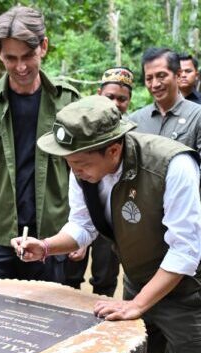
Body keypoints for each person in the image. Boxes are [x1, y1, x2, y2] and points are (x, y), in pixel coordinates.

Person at [13, 95, 201, 353]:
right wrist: (46, 246)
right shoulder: (83, 168)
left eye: (81, 164)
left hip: (192, 288)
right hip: (141, 278)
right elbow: (82, 226)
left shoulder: (172, 165)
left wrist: (136, 305)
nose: (75, 171)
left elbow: (186, 251)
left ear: (113, 150)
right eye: (69, 163)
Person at [0, 6, 80, 280]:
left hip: (50, 234)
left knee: (47, 307)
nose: (21, 67)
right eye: (11, 58)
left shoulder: (68, 102)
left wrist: (81, 230)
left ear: (43, 47)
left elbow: (83, 171)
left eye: (28, 56)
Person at [64, 67, 133, 297]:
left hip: (114, 218)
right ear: (98, 94)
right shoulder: (81, 125)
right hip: (84, 202)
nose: (115, 103)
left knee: (105, 276)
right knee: (70, 273)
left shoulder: (132, 134)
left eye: (122, 99)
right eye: (110, 96)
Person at [130, 48, 201, 192]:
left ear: (177, 75)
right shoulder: (135, 120)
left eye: (161, 76)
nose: (155, 84)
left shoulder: (200, 116)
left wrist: (170, 188)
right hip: (145, 205)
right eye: (149, 78)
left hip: (186, 204)